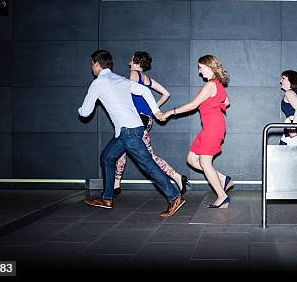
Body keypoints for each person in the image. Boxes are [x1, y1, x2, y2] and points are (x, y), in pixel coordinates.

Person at [78, 50, 185, 217]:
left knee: (147, 164)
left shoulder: (98, 83)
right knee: (107, 157)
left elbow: (85, 113)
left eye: (92, 64)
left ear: (97, 64)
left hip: (128, 131)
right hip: (127, 130)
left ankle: (175, 197)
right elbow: (144, 91)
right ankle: (107, 198)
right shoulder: (120, 79)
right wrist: (156, 112)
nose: (92, 68)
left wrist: (79, 109)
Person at [159, 55, 232, 208]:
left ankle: (222, 196)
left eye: (201, 67)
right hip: (211, 127)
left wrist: (170, 112)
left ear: (210, 67)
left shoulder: (210, 85)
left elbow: (193, 105)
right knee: (192, 159)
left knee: (205, 162)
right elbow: (226, 102)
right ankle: (222, 179)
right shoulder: (218, 85)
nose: (199, 71)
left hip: (213, 128)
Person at [113, 51, 189, 196]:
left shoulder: (134, 73)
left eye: (131, 58)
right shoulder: (147, 79)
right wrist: (154, 108)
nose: (129, 60)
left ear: (136, 61)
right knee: (121, 148)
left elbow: (130, 94)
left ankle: (176, 177)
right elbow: (166, 93)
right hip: (146, 119)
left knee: (147, 156)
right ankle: (116, 183)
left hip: (136, 120)